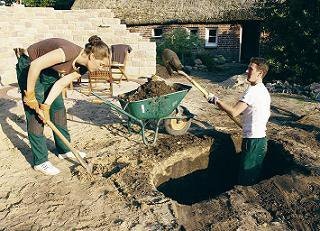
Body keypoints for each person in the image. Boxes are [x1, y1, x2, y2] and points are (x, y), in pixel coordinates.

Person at [14, 35, 111, 175]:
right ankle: (40, 161)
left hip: (49, 71)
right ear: (92, 57)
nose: (101, 69)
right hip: (29, 65)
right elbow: (35, 65)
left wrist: (46, 105)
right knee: (35, 114)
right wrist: (30, 95)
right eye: (101, 64)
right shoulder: (68, 52)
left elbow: (60, 84)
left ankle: (64, 149)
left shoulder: (82, 68)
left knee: (58, 108)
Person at [207, 57, 271, 185]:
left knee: (246, 180)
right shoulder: (261, 90)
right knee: (250, 176)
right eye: (248, 68)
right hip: (258, 140)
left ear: (260, 73)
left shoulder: (253, 91)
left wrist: (216, 100)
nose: (247, 71)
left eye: (250, 69)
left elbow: (234, 112)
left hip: (254, 142)